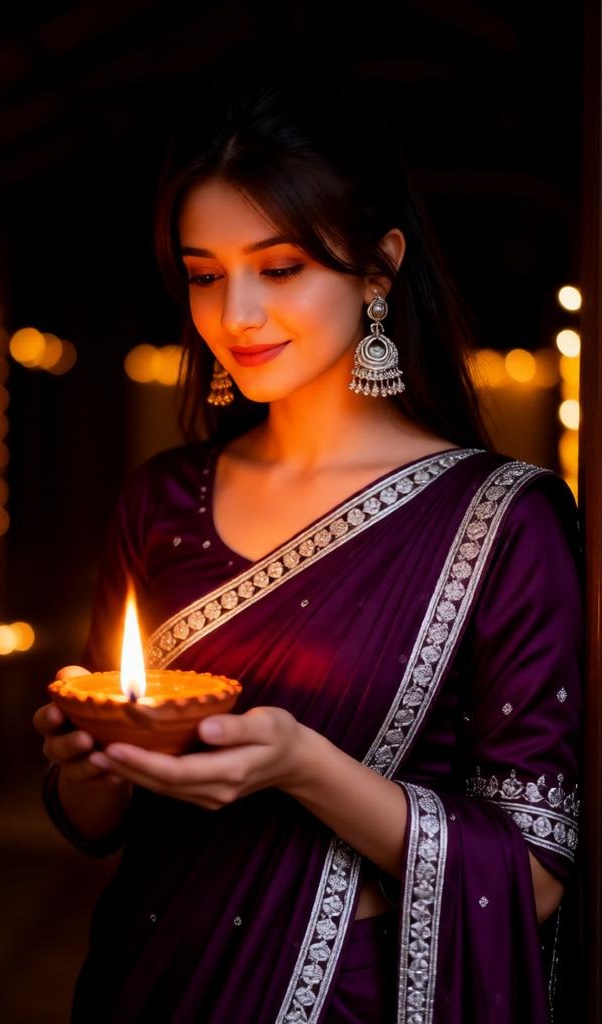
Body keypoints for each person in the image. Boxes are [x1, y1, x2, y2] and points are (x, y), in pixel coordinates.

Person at [33, 59, 582, 1023]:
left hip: (344, 997)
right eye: (206, 275)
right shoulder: (161, 498)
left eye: (279, 268)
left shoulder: (504, 521)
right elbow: (99, 824)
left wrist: (302, 765)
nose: (234, 317)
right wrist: (88, 770)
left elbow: (533, 875)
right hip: (148, 978)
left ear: (377, 268)